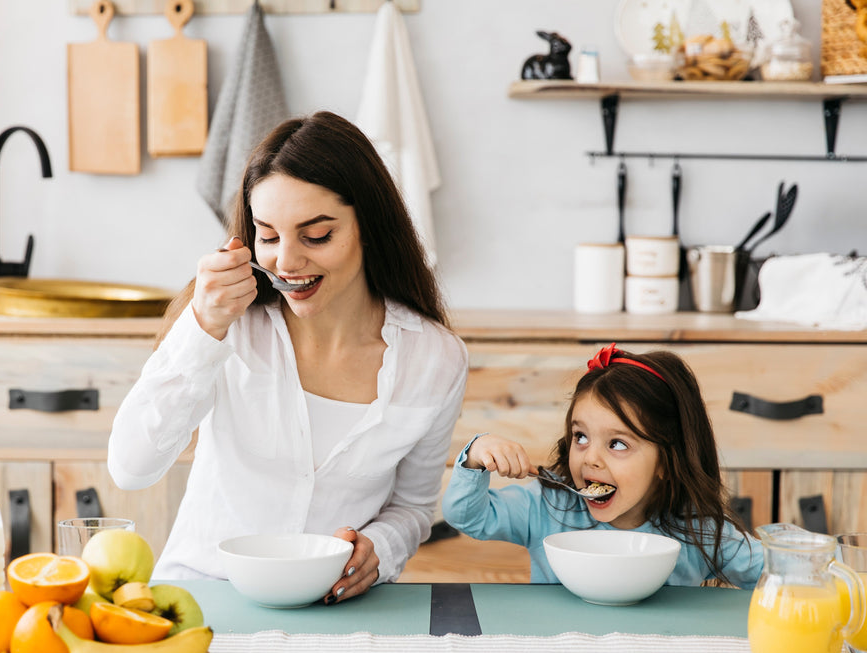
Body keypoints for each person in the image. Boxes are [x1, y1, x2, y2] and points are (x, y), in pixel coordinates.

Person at [108, 111, 468, 604]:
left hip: (339, 611)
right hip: (204, 596)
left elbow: (411, 506)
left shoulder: (434, 359)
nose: (287, 261)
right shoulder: (226, 325)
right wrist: (203, 327)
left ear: (369, 226)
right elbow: (131, 467)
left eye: (316, 235)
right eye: (269, 236)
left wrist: (379, 549)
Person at [442, 343, 762, 588]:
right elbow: (467, 517)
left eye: (617, 444)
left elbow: (775, 572)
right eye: (580, 436)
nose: (590, 458)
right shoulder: (547, 506)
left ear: (666, 461)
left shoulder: (697, 532)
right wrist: (476, 456)